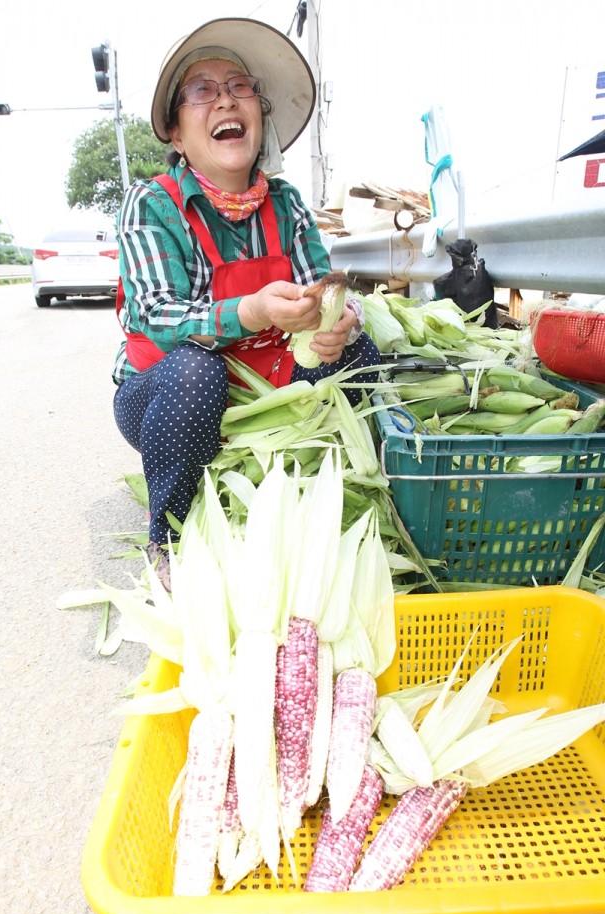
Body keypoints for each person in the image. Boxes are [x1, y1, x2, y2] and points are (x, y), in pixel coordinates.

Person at [112, 17, 381, 590]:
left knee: (363, 356)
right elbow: (156, 317)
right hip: (168, 396)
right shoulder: (151, 205)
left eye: (240, 88)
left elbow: (325, 289)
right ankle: (170, 532)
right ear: (178, 135)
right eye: (202, 91)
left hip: (268, 391)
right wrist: (251, 312)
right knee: (194, 370)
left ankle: (362, 505)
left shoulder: (287, 204)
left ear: (259, 120)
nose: (225, 101)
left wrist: (342, 322)